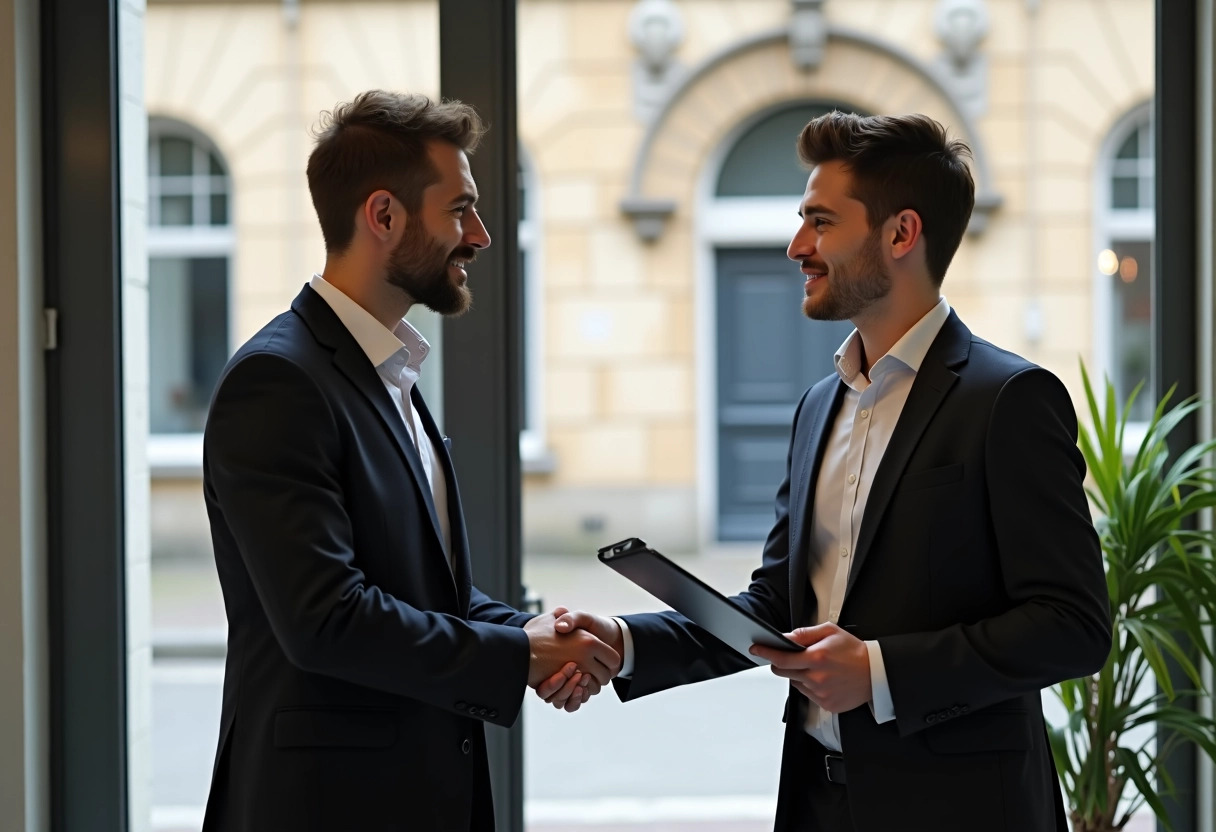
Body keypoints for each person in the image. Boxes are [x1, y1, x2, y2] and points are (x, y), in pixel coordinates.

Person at [543, 112, 1112, 831]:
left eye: (820, 222)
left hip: (961, 809)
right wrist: (623, 643)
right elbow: (777, 610)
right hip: (818, 800)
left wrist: (879, 671)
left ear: (901, 234)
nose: (796, 247)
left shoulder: (1008, 400)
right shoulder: (820, 405)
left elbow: (1072, 626)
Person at [200, 90, 618, 832]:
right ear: (384, 217)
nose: (482, 236)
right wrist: (515, 655)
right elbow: (327, 619)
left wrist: (537, 637)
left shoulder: (388, 372)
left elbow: (424, 589)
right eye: (460, 209)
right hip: (325, 807)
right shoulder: (279, 381)